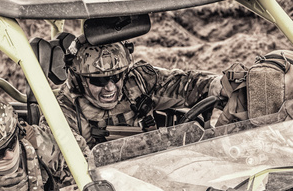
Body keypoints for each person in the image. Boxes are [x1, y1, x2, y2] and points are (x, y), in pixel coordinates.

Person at [47, 35, 222, 150]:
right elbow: (73, 173)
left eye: (116, 77)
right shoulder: (62, 112)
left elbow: (186, 84)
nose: (111, 87)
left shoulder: (138, 81)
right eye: (98, 80)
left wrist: (219, 85)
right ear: (78, 79)